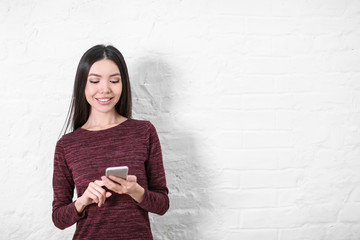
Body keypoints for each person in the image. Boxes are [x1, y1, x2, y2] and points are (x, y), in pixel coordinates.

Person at [52, 44, 169, 240]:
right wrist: (83, 201)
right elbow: (59, 218)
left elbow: (162, 205)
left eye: (114, 80)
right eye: (95, 81)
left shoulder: (144, 132)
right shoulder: (67, 145)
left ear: (123, 84)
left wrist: (137, 191)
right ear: (83, 85)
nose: (104, 89)